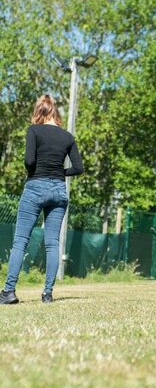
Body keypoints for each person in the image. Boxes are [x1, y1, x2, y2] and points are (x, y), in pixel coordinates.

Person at [0, 94, 84, 304]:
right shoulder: (67, 136)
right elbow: (78, 168)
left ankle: (9, 292)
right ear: (54, 111)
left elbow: (29, 160)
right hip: (58, 191)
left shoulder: (34, 131)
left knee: (21, 241)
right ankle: (47, 294)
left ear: (39, 111)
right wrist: (58, 173)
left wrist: (33, 172)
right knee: (52, 243)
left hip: (35, 187)